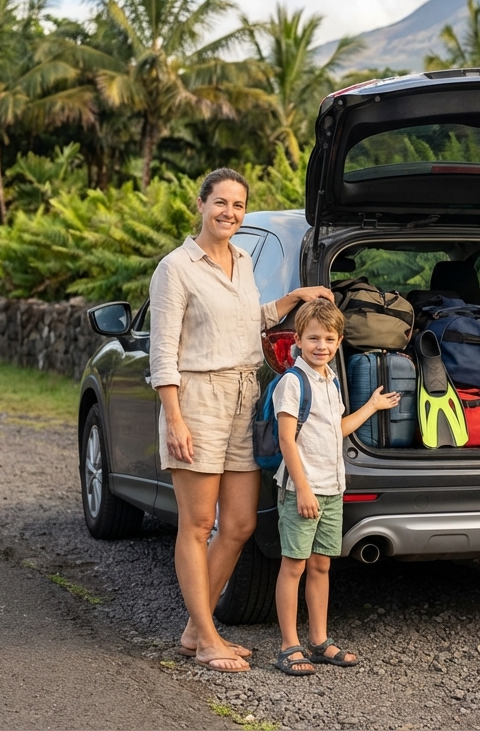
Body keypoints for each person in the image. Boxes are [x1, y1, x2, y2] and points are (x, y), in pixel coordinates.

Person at [149, 167, 334, 673]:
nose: (230, 213)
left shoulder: (244, 258)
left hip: (243, 394)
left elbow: (250, 318)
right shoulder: (176, 267)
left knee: (239, 523)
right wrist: (175, 418)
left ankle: (195, 627)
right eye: (221, 203)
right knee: (198, 523)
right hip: (198, 398)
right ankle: (208, 638)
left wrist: (292, 301)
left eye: (238, 205)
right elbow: (163, 351)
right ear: (201, 204)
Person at [272, 298, 399, 676]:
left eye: (329, 339)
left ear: (339, 341)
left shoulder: (330, 379)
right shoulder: (293, 383)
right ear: (297, 340)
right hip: (301, 491)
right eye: (313, 338)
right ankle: (288, 645)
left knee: (322, 566)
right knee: (293, 566)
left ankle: (319, 640)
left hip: (331, 488)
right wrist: (304, 488)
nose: (321, 346)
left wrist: (372, 407)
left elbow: (336, 429)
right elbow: (286, 440)